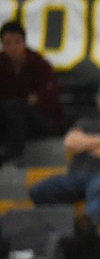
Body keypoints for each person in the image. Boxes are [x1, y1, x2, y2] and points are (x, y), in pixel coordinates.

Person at [29, 79, 100, 236]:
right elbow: (69, 142)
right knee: (39, 190)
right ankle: (63, 226)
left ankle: (87, 228)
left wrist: (86, 144)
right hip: (76, 177)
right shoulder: (86, 123)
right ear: (99, 102)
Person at [0, 20, 66, 163]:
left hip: (41, 123)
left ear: (24, 43)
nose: (13, 48)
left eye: (17, 42)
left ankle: (14, 156)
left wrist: (21, 105)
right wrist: (26, 101)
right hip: (9, 120)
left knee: (14, 107)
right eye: (8, 43)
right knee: (12, 108)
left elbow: (50, 101)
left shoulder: (40, 65)